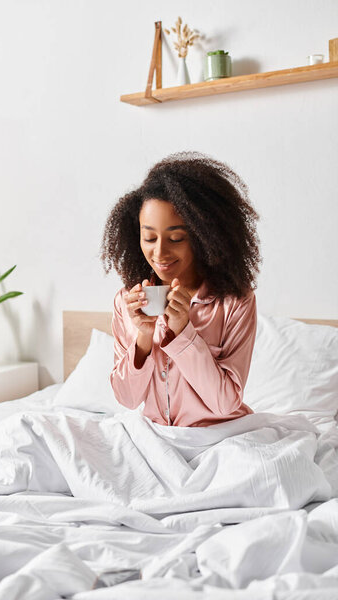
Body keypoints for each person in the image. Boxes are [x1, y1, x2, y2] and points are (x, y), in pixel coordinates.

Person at [100, 151, 261, 427]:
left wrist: (184, 332)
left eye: (175, 238)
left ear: (203, 235)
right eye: (149, 237)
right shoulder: (127, 302)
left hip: (222, 438)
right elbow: (127, 399)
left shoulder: (235, 302)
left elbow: (226, 402)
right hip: (157, 439)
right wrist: (143, 338)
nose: (159, 252)